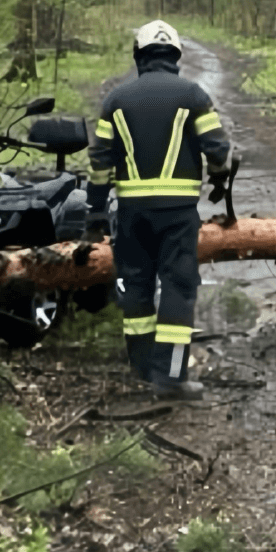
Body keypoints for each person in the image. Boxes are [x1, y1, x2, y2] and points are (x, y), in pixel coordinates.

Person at [86, 20, 233, 400]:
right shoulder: (194, 95)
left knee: (136, 287)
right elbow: (219, 151)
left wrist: (95, 212)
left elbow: (100, 164)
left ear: (139, 57)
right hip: (177, 215)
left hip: (131, 214)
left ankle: (141, 368)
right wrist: (219, 178)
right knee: (177, 288)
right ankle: (169, 377)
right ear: (176, 57)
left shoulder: (114, 101)